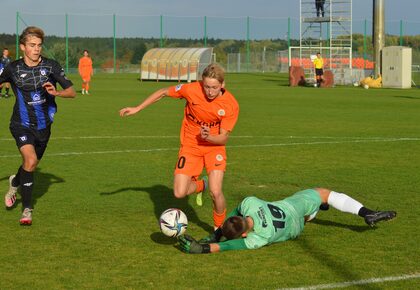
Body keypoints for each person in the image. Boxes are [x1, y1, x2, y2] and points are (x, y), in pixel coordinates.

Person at [119, 64, 239, 229]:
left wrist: (209, 136)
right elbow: (163, 92)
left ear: (223, 85)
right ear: (201, 82)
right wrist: (137, 108)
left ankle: (219, 229)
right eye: (207, 87)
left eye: (214, 88)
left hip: (214, 147)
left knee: (216, 191)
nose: (210, 92)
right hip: (191, 146)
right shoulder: (190, 90)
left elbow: (223, 139)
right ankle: (201, 185)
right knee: (179, 193)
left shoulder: (230, 104)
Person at [1, 26, 76, 225]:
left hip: (44, 127)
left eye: (39, 45)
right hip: (21, 124)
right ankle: (27, 210)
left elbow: (72, 92)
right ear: (23, 47)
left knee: (30, 164)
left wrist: (57, 93)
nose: (36, 49)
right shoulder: (13, 68)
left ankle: (15, 182)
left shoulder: (51, 66)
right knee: (31, 160)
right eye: (32, 45)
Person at [178, 187, 397, 254]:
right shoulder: (251, 204)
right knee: (323, 193)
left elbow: (229, 246)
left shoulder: (259, 238)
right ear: (242, 219)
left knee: (310, 213)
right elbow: (236, 209)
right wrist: (218, 231)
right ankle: (366, 212)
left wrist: (203, 247)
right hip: (292, 205)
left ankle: (318, 209)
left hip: (295, 227)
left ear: (245, 233)